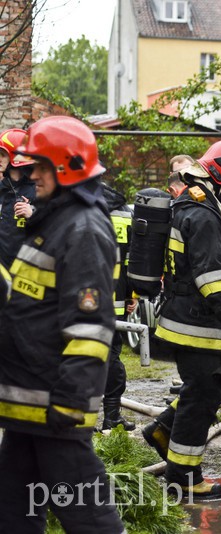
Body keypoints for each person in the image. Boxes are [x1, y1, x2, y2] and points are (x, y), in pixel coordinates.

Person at [0, 115, 125, 532]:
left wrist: (70, 404)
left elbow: (90, 328)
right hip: (30, 405)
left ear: (64, 168)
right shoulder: (51, 222)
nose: (29, 174)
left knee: (89, 519)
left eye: (38, 166)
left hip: (57, 408)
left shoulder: (82, 229)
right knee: (14, 515)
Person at [142, 139, 221, 500]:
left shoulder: (194, 206)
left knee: (208, 388)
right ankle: (183, 479)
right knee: (201, 398)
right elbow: (209, 280)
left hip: (188, 318)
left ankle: (164, 431)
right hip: (196, 323)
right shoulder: (201, 213)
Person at [101, 182, 138, 431]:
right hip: (117, 298)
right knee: (112, 355)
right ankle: (111, 416)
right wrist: (133, 293)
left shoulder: (78, 205)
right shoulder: (125, 211)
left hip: (80, 297)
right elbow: (134, 258)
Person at [0, 128, 36, 267]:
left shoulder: (38, 190)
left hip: (23, 271)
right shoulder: (1, 189)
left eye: (3, 155)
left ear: (16, 157)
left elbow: (53, 228)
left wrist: (32, 214)